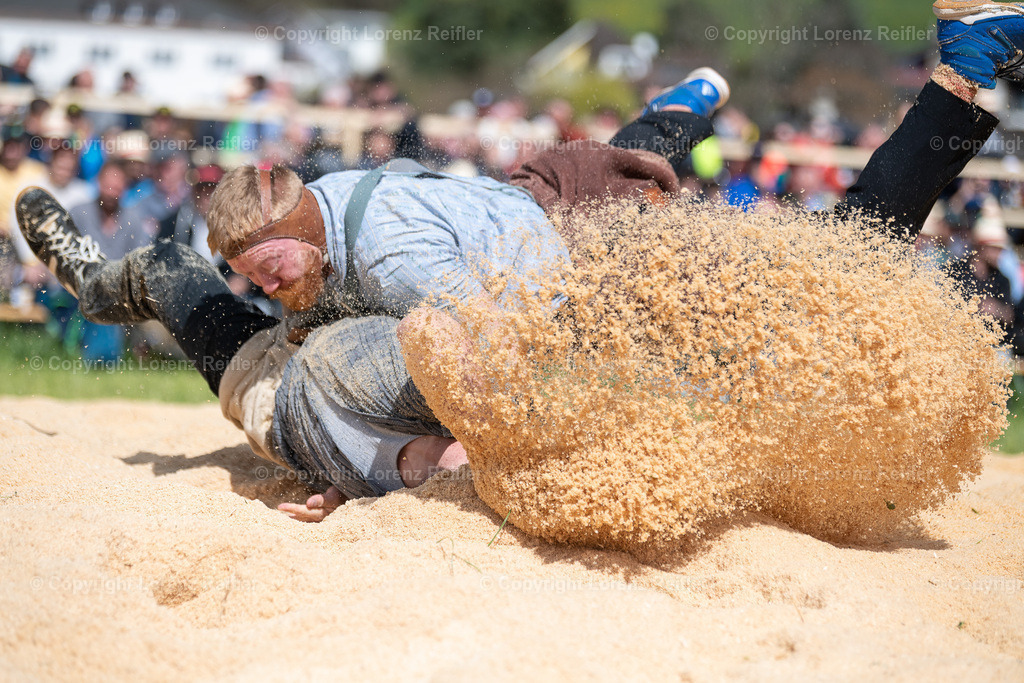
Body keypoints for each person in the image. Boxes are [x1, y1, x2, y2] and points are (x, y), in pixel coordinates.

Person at [15, 1, 1023, 520]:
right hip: (539, 216)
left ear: (303, 220)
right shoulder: (329, 252)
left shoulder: (399, 279)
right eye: (257, 278)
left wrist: (375, 478)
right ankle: (677, 113)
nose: (267, 284)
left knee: (817, 263)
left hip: (557, 263)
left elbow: (482, 374)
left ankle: (955, 73)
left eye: (272, 268)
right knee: (637, 187)